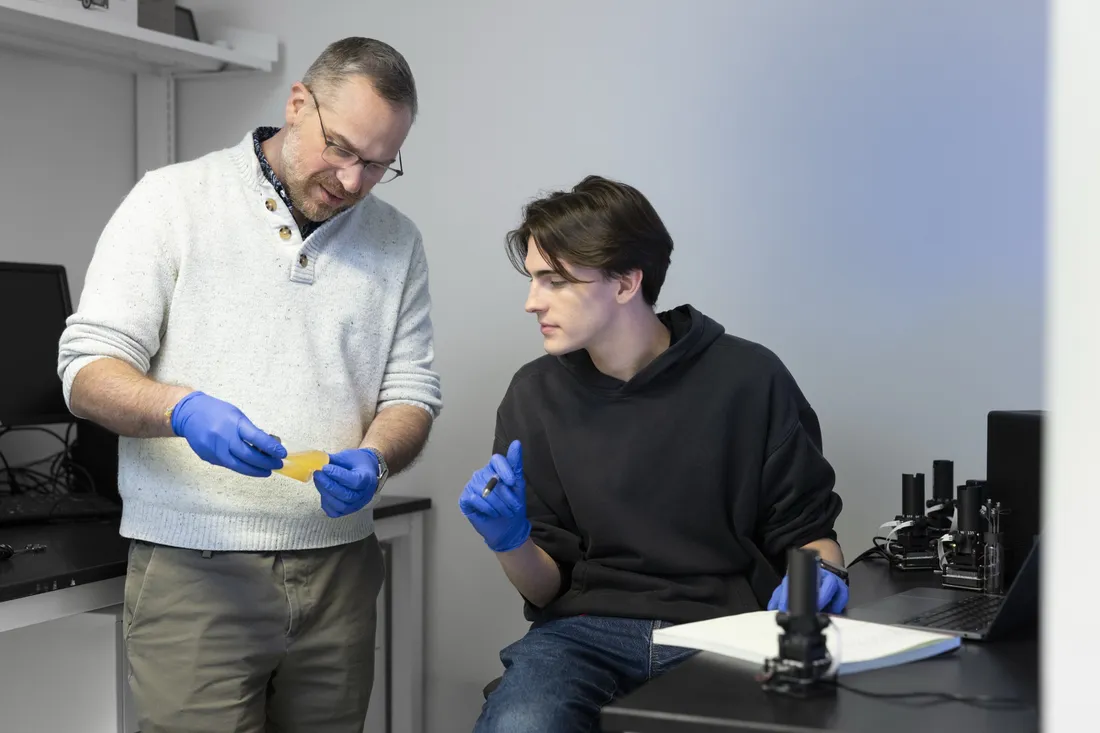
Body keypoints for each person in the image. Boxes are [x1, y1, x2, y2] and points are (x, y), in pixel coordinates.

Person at [57, 37, 441, 733]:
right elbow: (86, 371)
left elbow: (411, 393)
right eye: (343, 149)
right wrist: (182, 409)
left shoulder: (397, 241)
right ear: (298, 105)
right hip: (194, 571)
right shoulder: (172, 200)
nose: (354, 181)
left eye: (379, 165)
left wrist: (378, 455)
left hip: (341, 572)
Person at [459, 175, 847, 732]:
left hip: (725, 629)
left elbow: (810, 535)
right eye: (532, 279)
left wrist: (819, 574)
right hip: (582, 634)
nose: (531, 302)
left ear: (625, 283)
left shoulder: (750, 378)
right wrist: (510, 540)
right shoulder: (534, 394)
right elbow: (545, 588)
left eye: (555, 280)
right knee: (519, 723)